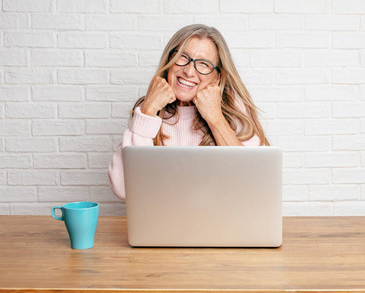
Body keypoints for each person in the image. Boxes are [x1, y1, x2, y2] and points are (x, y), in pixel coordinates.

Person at [109, 24, 270, 200]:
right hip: (164, 223)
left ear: (217, 76)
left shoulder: (234, 108)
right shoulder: (148, 110)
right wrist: (147, 112)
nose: (189, 71)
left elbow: (256, 184)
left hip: (222, 223)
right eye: (182, 57)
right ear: (169, 62)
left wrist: (215, 118)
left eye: (203, 64)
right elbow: (123, 190)